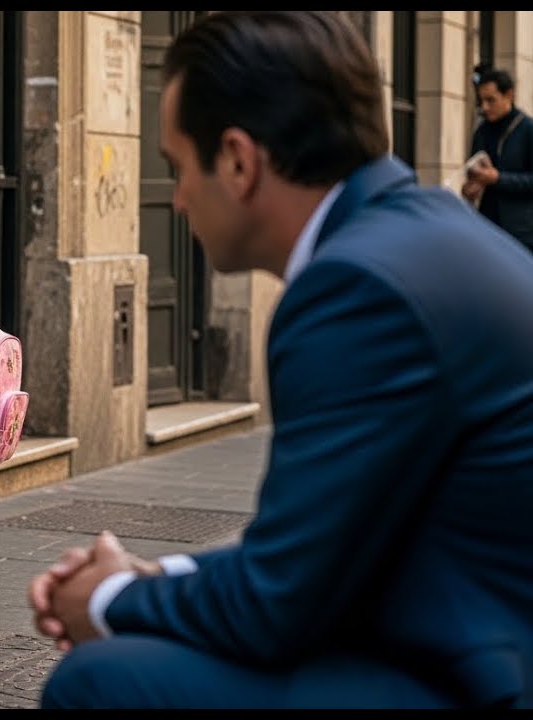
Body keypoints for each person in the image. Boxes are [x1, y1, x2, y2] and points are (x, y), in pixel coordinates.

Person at [29, 11, 533, 709]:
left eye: (177, 167)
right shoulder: (418, 237)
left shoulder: (355, 290)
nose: (177, 200)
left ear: (238, 161)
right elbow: (316, 553)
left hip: (479, 680)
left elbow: (277, 603)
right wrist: (154, 577)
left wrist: (107, 597)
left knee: (98, 681)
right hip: (460, 630)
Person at [463, 65, 533, 253]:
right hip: (486, 229)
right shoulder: (481, 132)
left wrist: (498, 179)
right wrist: (470, 188)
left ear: (509, 95)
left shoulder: (528, 130)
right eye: (482, 101)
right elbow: (473, 172)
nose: (485, 107)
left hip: (522, 235)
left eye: (491, 100)